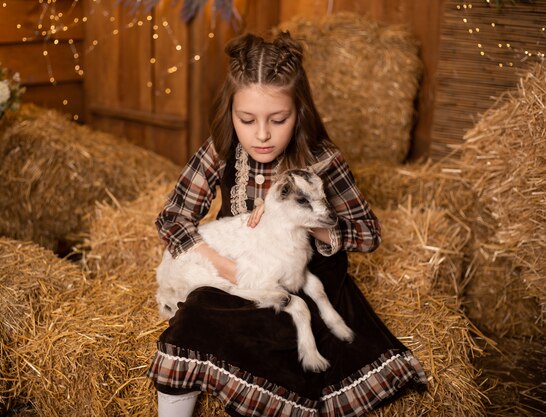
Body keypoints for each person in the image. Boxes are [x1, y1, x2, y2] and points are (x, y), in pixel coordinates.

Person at [147, 31, 427, 417]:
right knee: (194, 317)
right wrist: (221, 262)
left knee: (285, 330)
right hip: (243, 274)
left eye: (278, 120)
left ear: (300, 112)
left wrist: (304, 218)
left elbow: (369, 233)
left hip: (306, 276)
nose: (261, 134)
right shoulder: (221, 149)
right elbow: (173, 218)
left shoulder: (322, 159)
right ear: (230, 112)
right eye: (247, 119)